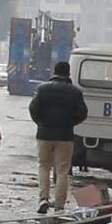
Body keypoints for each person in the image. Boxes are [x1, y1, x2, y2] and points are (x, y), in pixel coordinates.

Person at [29, 56, 89, 215]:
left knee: (43, 166)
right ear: (68, 74)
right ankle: (60, 204)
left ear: (54, 72)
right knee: (62, 170)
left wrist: (41, 123)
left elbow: (33, 109)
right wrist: (70, 123)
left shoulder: (42, 89)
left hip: (44, 134)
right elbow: (83, 113)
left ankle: (43, 199)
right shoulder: (75, 92)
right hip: (65, 136)